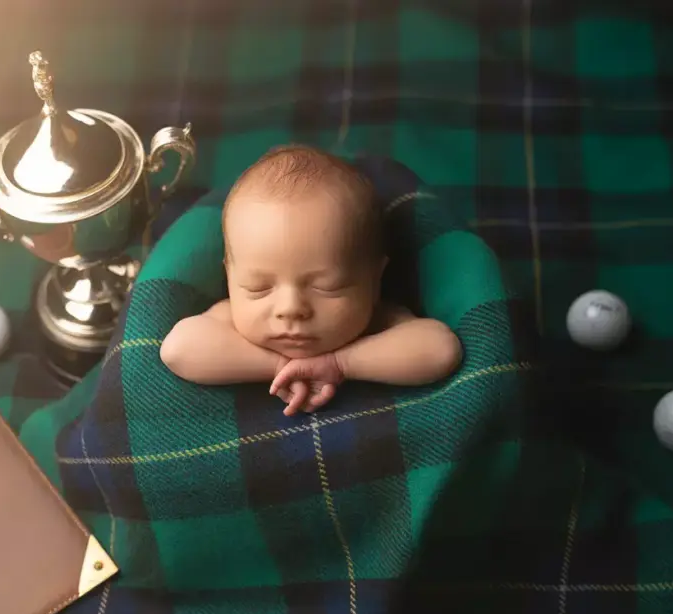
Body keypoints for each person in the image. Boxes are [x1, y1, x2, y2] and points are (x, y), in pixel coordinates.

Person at [159, 145, 462, 416]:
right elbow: (177, 349)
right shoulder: (227, 320)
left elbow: (442, 350)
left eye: (326, 287)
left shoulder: (380, 321)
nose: (291, 309)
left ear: (374, 281)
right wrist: (280, 368)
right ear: (229, 278)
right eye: (258, 287)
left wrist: (339, 364)